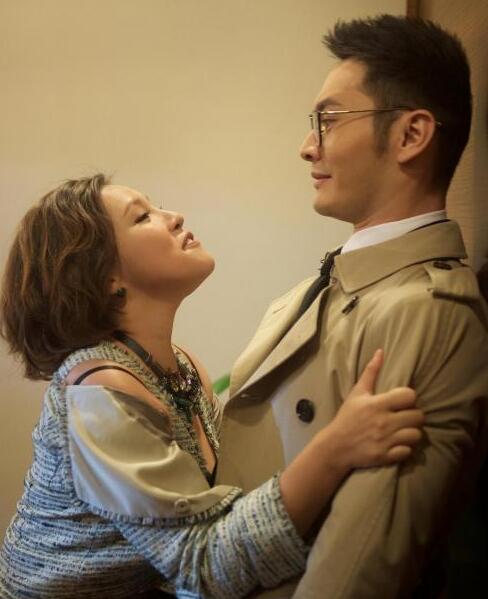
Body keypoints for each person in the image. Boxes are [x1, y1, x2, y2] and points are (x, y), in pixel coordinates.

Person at [0, 175, 424, 599]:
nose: (174, 217)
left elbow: (223, 511)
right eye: (143, 217)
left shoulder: (184, 367)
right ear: (107, 276)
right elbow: (203, 564)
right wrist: (335, 449)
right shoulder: (99, 390)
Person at [216, 15, 488, 599]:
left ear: (411, 135)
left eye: (330, 120)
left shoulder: (427, 311)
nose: (308, 145)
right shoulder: (328, 283)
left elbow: (356, 570)